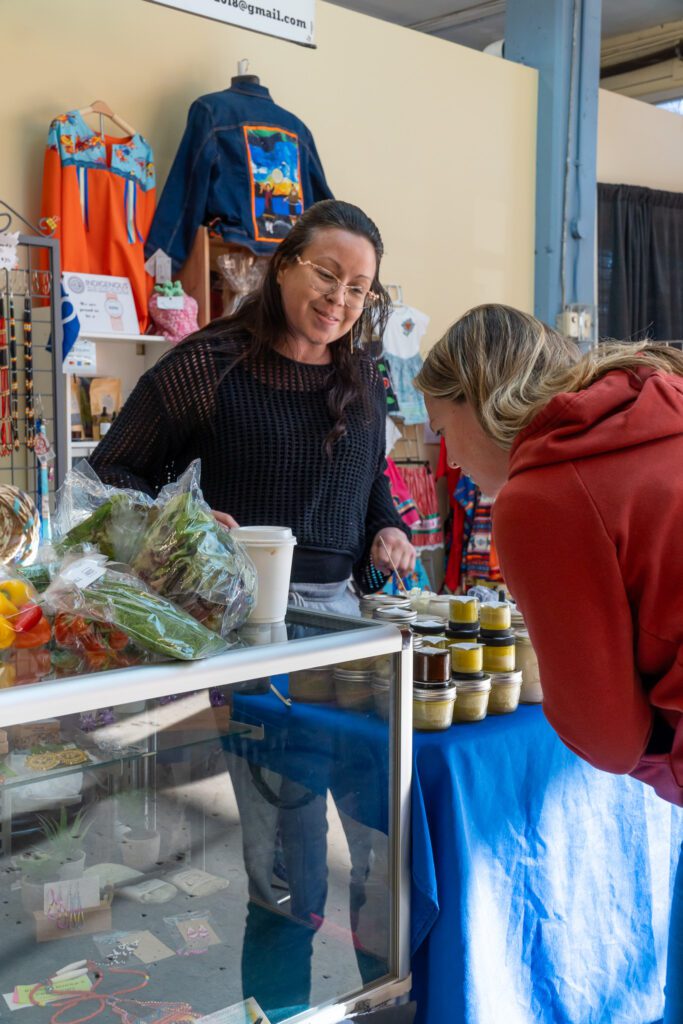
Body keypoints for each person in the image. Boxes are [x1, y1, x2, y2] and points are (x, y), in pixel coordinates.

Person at [90, 198, 415, 1014]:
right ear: (283, 265)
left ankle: (381, 1004)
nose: (340, 299)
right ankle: (281, 1011)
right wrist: (187, 521)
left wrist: (389, 528)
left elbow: (369, 481)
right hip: (251, 635)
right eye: (327, 275)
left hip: (349, 635)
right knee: (288, 863)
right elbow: (111, 473)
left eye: (359, 288)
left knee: (381, 848)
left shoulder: (361, 372)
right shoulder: (209, 364)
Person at [415, 302, 683, 1022]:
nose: (450, 461)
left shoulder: (542, 493)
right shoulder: (663, 402)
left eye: (444, 431)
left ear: (479, 398)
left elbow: (607, 737)